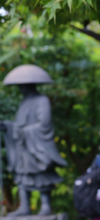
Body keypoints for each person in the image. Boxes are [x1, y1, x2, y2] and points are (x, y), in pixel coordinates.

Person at [0, 65, 67, 216]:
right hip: (22, 147)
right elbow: (19, 123)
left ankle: (46, 205)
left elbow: (44, 123)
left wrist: (23, 131)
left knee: (41, 172)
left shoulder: (41, 100)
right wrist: (8, 126)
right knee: (22, 175)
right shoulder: (24, 102)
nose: (21, 89)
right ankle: (24, 206)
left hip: (35, 145)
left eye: (23, 86)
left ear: (30, 85)